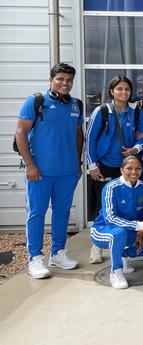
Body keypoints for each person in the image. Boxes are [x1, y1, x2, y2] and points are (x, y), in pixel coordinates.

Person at [15, 63, 84, 279]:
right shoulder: (36, 102)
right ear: (51, 80)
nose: (65, 83)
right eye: (60, 79)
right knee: (36, 213)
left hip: (67, 170)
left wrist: (78, 163)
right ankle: (35, 258)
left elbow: (78, 135)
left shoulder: (76, 105)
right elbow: (20, 133)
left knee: (62, 212)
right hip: (40, 171)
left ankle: (58, 253)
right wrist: (30, 165)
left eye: (69, 80)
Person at [86, 75, 143, 264]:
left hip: (127, 166)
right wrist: (92, 165)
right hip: (104, 164)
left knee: (125, 205)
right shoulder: (102, 110)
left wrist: (135, 149)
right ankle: (97, 244)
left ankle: (122, 243)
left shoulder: (135, 111)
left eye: (127, 89)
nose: (123, 92)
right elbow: (90, 139)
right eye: (119, 89)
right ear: (112, 91)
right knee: (101, 206)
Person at [90, 155, 143, 289]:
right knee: (119, 233)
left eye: (138, 168)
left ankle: (122, 255)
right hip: (103, 230)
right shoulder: (111, 187)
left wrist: (141, 232)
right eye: (129, 168)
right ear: (121, 170)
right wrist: (140, 226)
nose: (134, 172)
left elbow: (142, 215)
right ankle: (116, 272)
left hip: (130, 230)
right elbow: (110, 219)